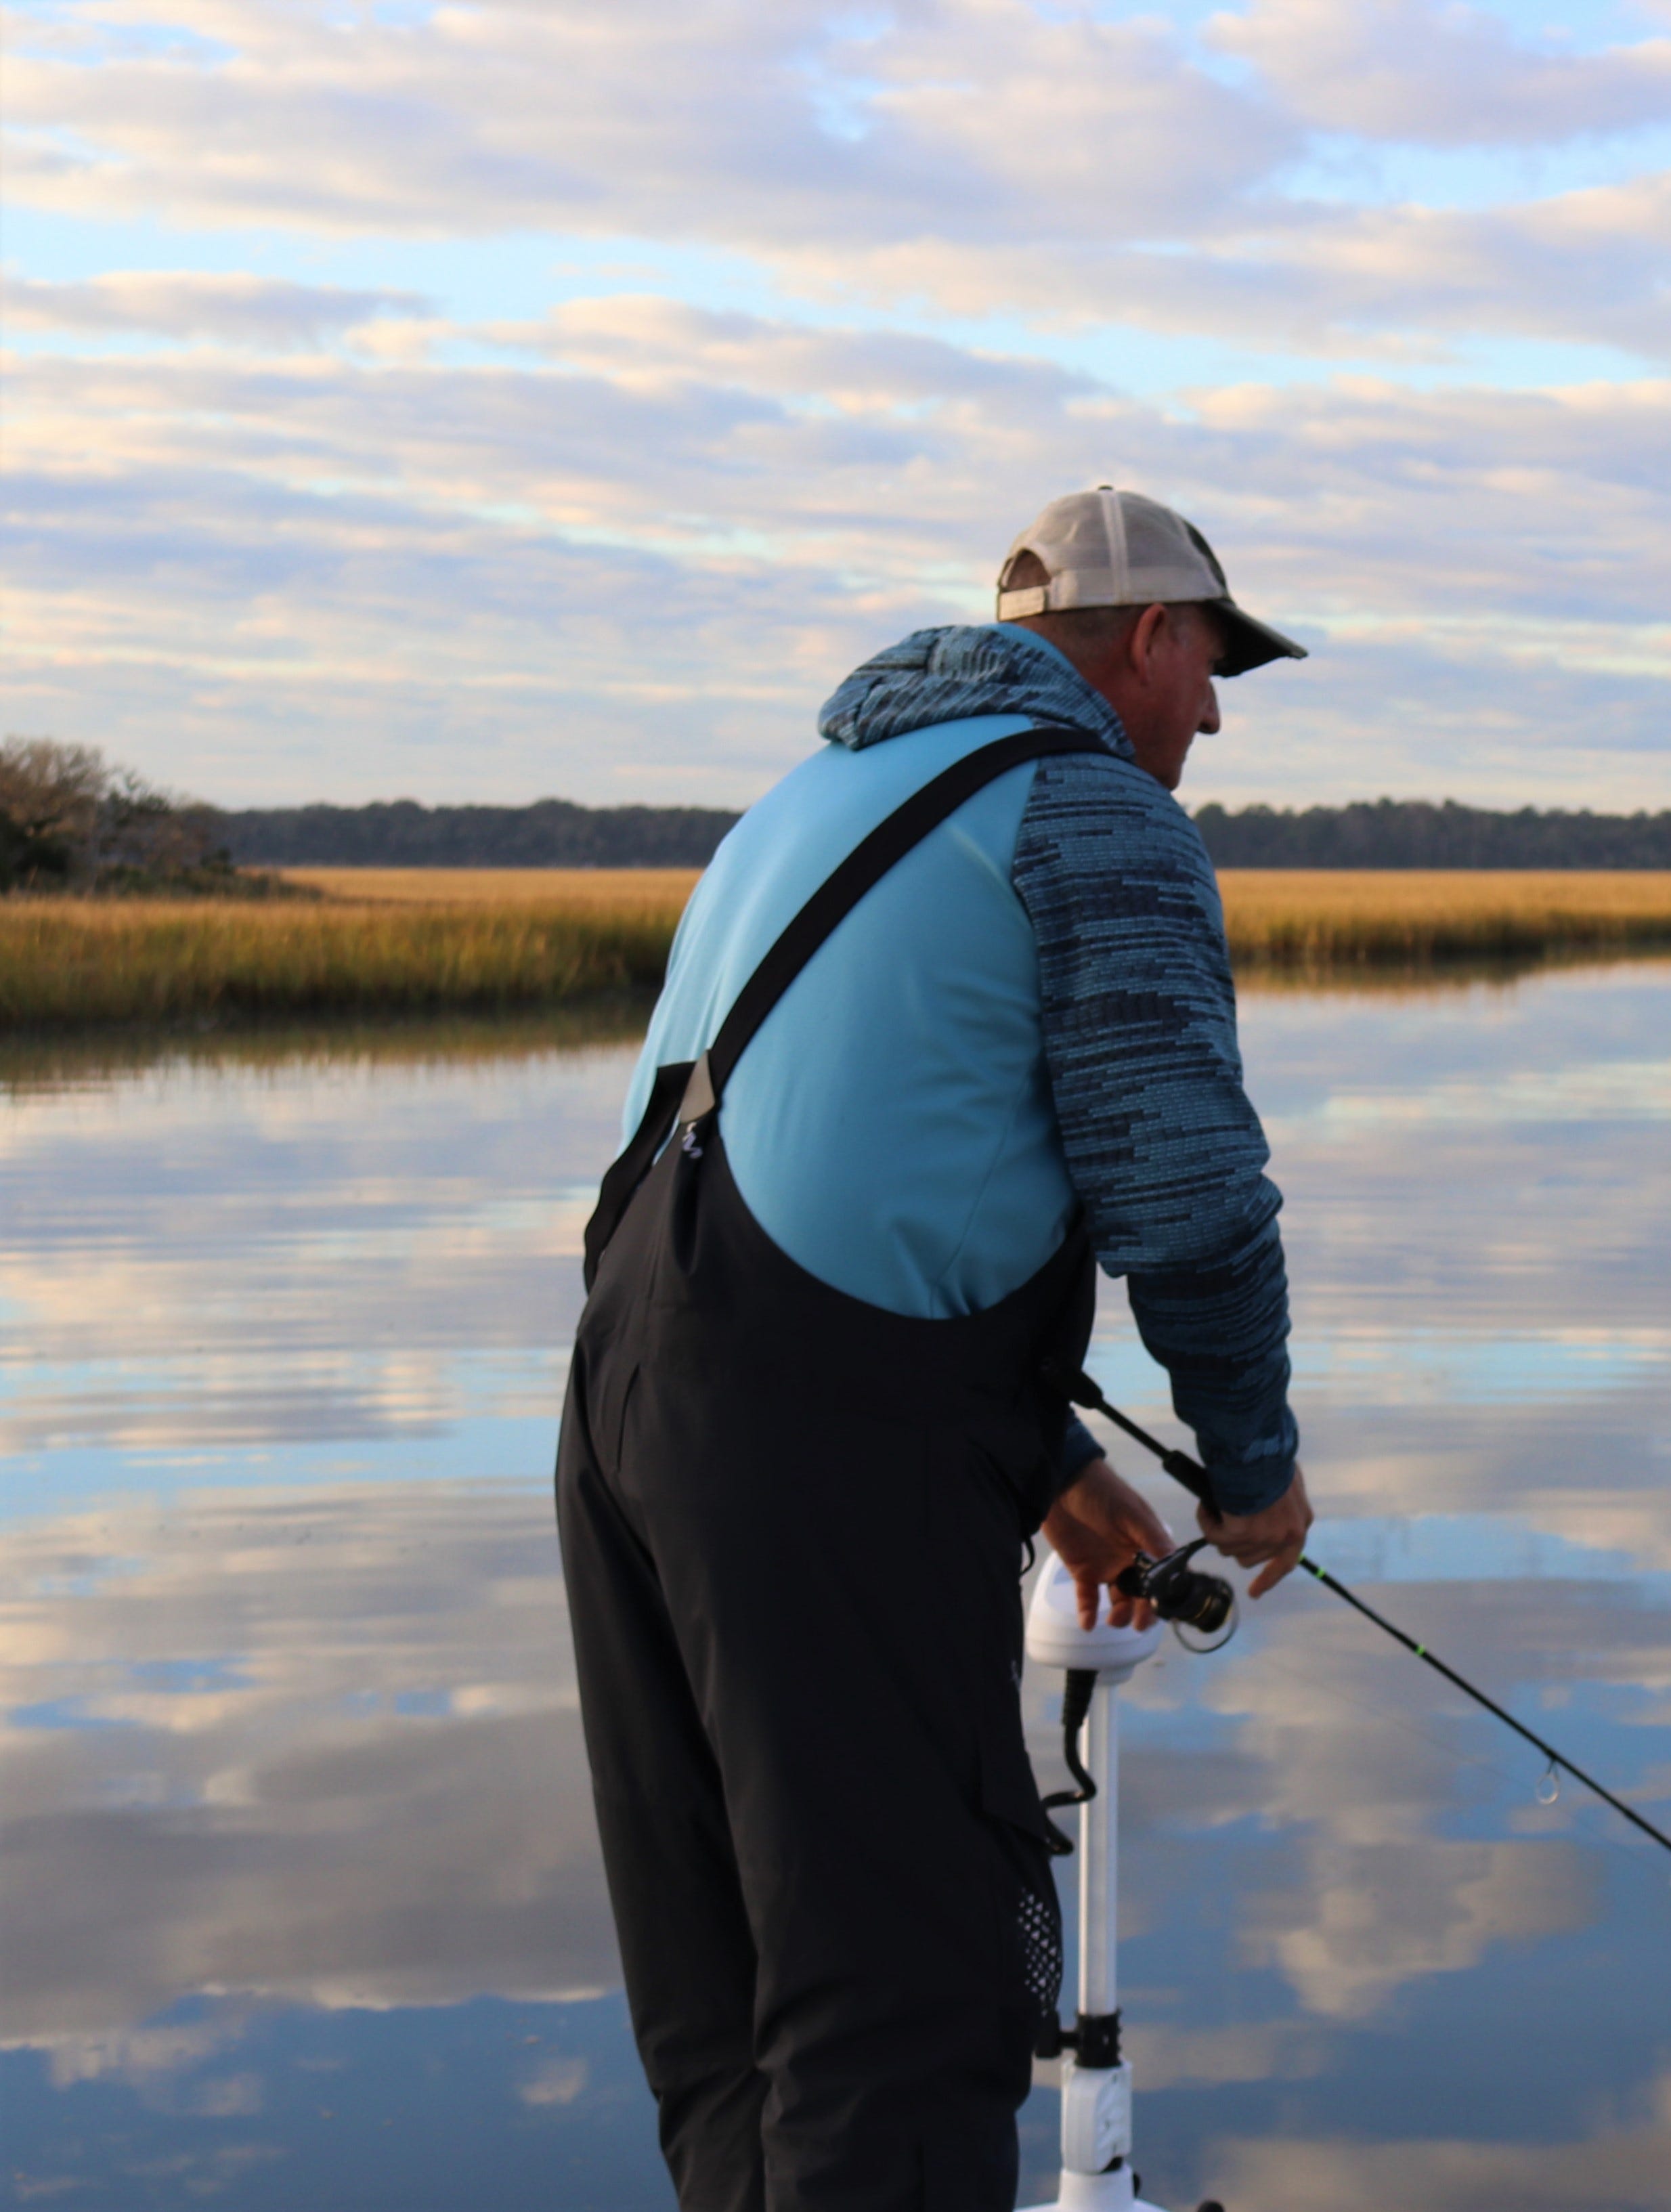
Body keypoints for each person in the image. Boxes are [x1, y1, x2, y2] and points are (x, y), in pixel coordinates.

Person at [555, 486, 1316, 2211]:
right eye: (1212, 663)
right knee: (904, 2004)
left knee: (736, 2012)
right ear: (1147, 639)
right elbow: (1189, 1205)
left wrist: (1037, 1460)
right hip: (818, 1452)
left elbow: (834, 1159)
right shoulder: (1096, 814)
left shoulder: (802, 800)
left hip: (622, 1414)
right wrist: (1254, 1474)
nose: (1212, 711)